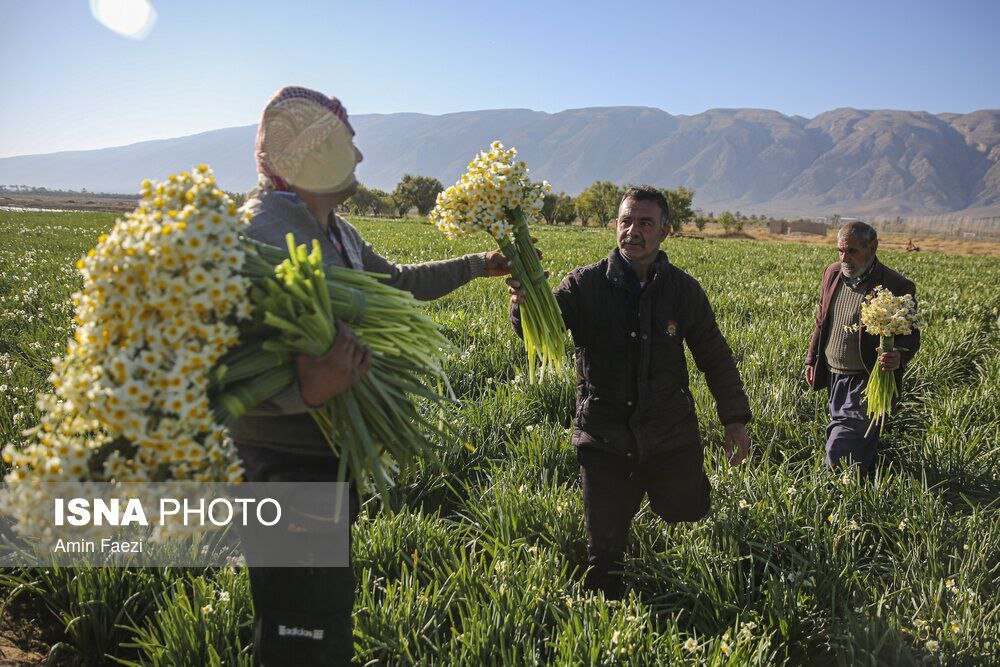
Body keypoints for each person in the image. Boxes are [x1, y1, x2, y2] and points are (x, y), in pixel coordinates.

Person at [231, 85, 513, 666]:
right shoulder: (256, 236)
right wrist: (304, 391)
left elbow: (396, 282)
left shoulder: (335, 231)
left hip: (327, 460)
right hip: (284, 466)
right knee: (300, 634)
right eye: (344, 144)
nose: (358, 158)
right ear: (305, 157)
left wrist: (474, 266)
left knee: (319, 615)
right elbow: (218, 365)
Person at [508, 185, 751, 599]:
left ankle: (645, 490)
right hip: (604, 434)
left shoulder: (683, 290)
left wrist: (734, 421)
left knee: (687, 506)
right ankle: (605, 617)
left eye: (644, 223)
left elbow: (715, 355)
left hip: (668, 429)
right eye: (625, 221)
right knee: (605, 551)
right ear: (614, 225)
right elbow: (542, 325)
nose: (632, 231)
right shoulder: (585, 284)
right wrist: (523, 302)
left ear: (665, 232)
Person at [805, 221, 920, 475]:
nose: (844, 258)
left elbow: (911, 337)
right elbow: (821, 321)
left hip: (867, 378)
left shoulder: (896, 286)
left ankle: (834, 493)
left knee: (842, 441)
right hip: (834, 374)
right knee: (850, 435)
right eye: (840, 251)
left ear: (873, 247)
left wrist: (898, 355)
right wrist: (811, 358)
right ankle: (861, 485)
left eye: (852, 251)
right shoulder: (833, 274)